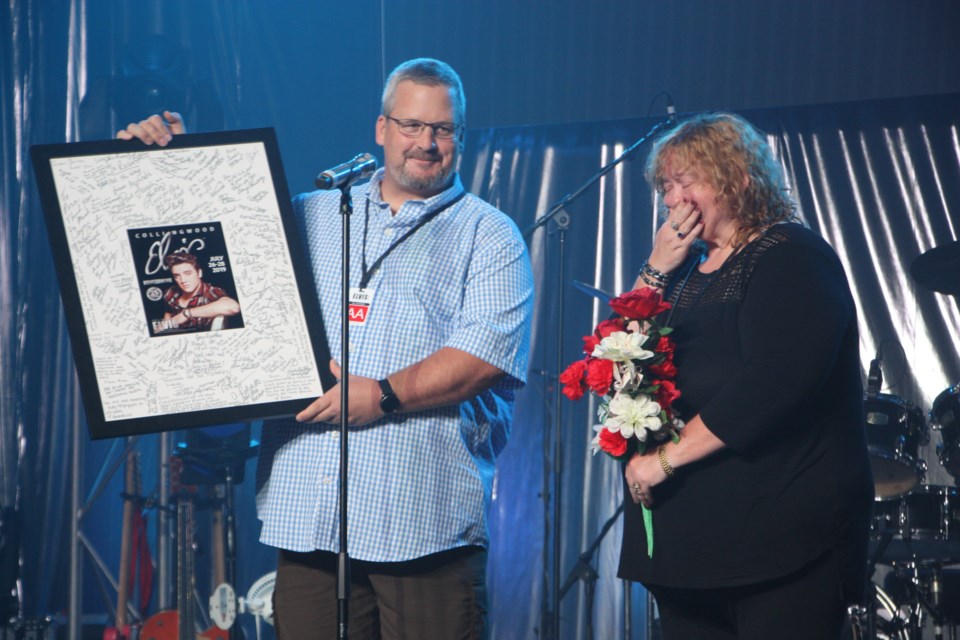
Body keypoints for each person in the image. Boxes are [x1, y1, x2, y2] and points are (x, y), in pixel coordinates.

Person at [119, 58, 534, 639]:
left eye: (443, 129)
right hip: (308, 516)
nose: (427, 142)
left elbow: (485, 356)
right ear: (381, 128)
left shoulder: (489, 235)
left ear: (459, 137)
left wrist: (381, 396)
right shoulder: (307, 213)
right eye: (411, 125)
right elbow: (208, 269)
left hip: (421, 520)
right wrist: (176, 164)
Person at [620, 113, 874, 639]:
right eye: (666, 187)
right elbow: (619, 362)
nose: (671, 200)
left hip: (776, 548)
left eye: (686, 181)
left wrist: (666, 459)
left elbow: (775, 382)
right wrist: (653, 270)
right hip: (687, 550)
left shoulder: (790, 255)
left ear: (736, 179)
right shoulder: (684, 272)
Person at [157, 252, 240, 331]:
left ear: (199, 273)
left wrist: (186, 314)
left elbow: (233, 307)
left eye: (188, 273)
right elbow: (167, 318)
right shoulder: (170, 292)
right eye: (177, 276)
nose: (182, 280)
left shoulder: (210, 292)